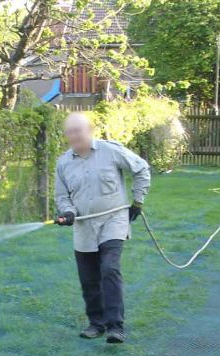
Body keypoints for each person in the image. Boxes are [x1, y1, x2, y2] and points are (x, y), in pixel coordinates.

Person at [54, 112, 151, 343]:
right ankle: (96, 323)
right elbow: (61, 195)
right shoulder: (63, 163)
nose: (74, 135)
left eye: (79, 130)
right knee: (88, 278)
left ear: (90, 130)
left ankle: (115, 326)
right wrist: (68, 212)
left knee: (109, 267)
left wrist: (137, 202)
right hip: (83, 225)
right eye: (70, 131)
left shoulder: (111, 151)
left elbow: (141, 169)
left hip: (113, 219)